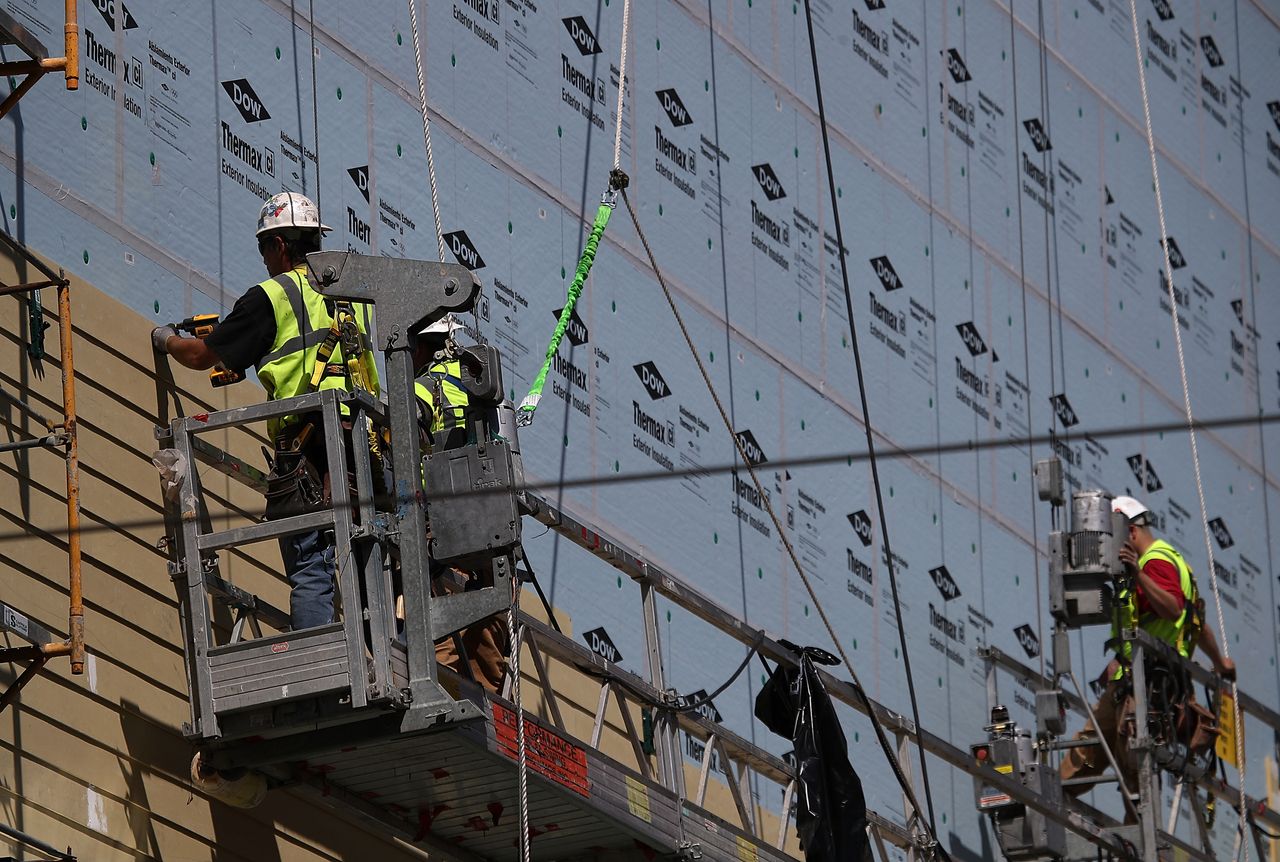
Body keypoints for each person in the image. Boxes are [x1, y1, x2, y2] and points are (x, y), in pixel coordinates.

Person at [152, 191, 379, 631]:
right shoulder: (355, 297)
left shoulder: (272, 295)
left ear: (278, 245)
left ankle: (317, 658)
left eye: (263, 248)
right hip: (363, 451)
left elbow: (201, 355)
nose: (262, 259)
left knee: (311, 565)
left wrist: (165, 339)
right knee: (369, 561)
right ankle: (378, 658)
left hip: (309, 450)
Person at [1060, 495, 1235, 796]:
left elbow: (1173, 609)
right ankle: (1055, 793)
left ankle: (1131, 836)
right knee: (1089, 747)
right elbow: (1197, 623)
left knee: (1133, 766)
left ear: (1130, 532)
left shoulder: (1154, 561)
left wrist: (1139, 574)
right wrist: (1220, 663)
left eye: (1113, 538)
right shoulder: (1171, 561)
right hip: (1131, 679)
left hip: (1149, 684)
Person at [411, 315, 509, 693]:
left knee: (431, 613)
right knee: (488, 607)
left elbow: (400, 442)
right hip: (491, 519)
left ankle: (442, 689)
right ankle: (485, 694)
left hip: (441, 518)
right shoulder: (483, 390)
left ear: (419, 346)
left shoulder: (425, 387)